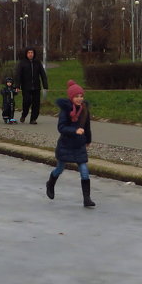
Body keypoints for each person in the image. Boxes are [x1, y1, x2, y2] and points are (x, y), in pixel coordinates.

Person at [45, 79, 95, 207]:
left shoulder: (84, 110)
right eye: (77, 96)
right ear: (71, 97)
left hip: (79, 144)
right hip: (66, 144)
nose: (79, 99)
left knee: (84, 170)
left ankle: (87, 198)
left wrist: (88, 139)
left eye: (81, 96)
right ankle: (50, 183)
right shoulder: (65, 110)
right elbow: (61, 127)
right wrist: (74, 130)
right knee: (60, 168)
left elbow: (87, 127)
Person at [14, 47, 49, 124]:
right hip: (26, 86)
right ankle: (24, 114)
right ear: (26, 54)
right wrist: (17, 86)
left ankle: (33, 119)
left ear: (34, 53)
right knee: (27, 101)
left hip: (36, 86)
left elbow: (43, 74)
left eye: (32, 53)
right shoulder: (22, 63)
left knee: (36, 103)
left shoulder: (37, 62)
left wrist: (45, 85)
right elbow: (18, 75)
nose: (30, 54)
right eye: (29, 53)